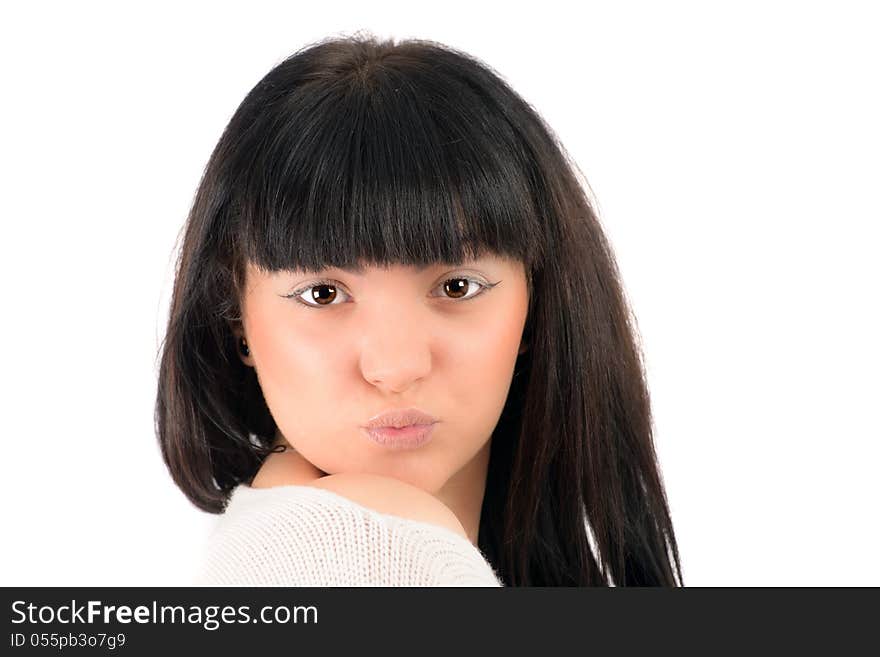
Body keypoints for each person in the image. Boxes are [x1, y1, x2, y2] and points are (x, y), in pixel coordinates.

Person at [155, 33, 684, 586]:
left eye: (456, 287)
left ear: (537, 301)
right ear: (234, 318)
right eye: (323, 294)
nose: (396, 366)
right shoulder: (364, 553)